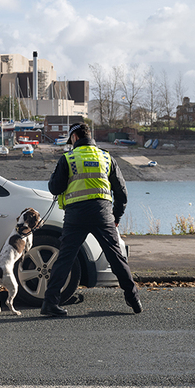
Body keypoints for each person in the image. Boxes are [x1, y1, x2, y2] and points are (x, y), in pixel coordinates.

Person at [41, 122, 142, 317]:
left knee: (65, 258)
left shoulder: (68, 158)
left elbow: (54, 188)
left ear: (75, 138)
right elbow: (121, 192)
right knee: (116, 256)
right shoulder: (106, 157)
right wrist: (116, 217)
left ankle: (49, 302)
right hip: (102, 212)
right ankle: (133, 298)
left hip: (75, 215)